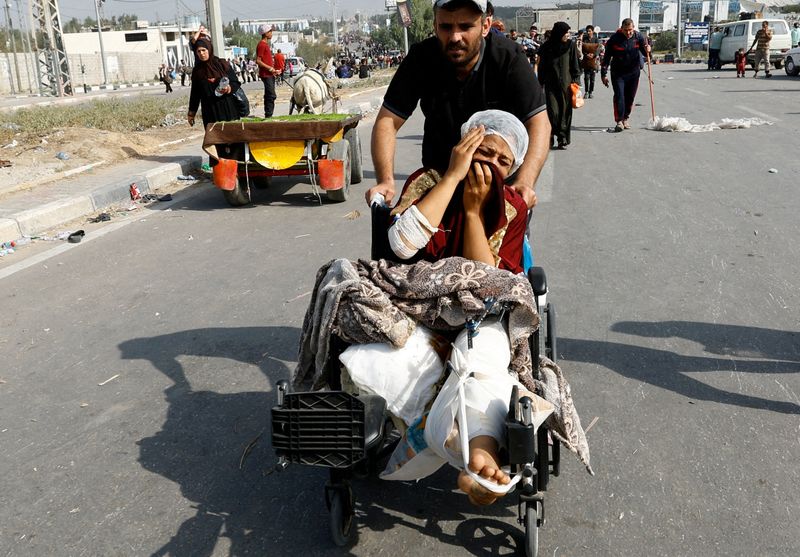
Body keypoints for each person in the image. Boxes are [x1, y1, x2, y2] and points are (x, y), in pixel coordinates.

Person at [382, 110, 538, 505]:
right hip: (418, 304)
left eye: (503, 161)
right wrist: (453, 178)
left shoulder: (512, 206)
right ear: (463, 147)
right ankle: (469, 450)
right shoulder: (428, 181)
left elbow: (487, 286)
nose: (491, 166)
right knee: (391, 359)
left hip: (477, 312)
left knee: (483, 357)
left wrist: (472, 212)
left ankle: (478, 454)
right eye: (483, 152)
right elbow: (401, 246)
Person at [367, 0, 550, 211]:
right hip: (440, 184)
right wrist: (385, 180)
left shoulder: (509, 59)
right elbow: (387, 121)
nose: (455, 37)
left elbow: (539, 124)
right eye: (446, 27)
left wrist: (525, 182)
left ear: (485, 26)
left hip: (498, 189)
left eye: (465, 27)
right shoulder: (421, 59)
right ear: (435, 26)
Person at [600, 18, 650, 132]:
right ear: (621, 29)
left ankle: (625, 118)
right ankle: (619, 120)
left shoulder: (638, 37)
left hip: (633, 73)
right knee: (619, 96)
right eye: (626, 30)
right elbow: (606, 58)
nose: (628, 33)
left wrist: (648, 50)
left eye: (630, 30)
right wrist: (603, 74)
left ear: (634, 28)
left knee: (630, 97)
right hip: (618, 73)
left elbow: (645, 53)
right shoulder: (614, 39)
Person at [536, 22, 581, 150]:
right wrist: (540, 83)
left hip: (567, 85)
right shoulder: (547, 47)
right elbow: (542, 67)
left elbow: (575, 64)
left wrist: (576, 81)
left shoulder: (570, 46)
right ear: (559, 33)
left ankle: (562, 138)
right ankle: (550, 135)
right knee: (553, 112)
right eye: (566, 32)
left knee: (565, 113)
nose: (568, 35)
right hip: (551, 85)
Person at [186, 37, 242, 129]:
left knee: (234, 139)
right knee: (217, 139)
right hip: (210, 111)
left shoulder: (222, 64)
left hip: (228, 108)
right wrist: (191, 113)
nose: (202, 53)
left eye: (204, 50)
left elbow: (235, 83)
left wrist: (228, 88)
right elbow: (195, 94)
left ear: (209, 49)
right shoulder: (197, 71)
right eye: (198, 51)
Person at [255, 24, 278, 117]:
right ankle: (268, 115)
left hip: (270, 74)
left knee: (270, 94)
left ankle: (269, 114)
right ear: (265, 33)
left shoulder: (266, 45)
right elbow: (258, 61)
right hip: (266, 74)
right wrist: (270, 68)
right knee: (271, 95)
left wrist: (274, 70)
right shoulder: (262, 45)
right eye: (270, 32)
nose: (271, 33)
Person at [581, 25, 600, 99]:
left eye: (589, 31)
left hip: (593, 62)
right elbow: (582, 49)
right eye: (587, 31)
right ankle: (586, 92)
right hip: (586, 61)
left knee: (592, 79)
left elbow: (598, 49)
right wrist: (586, 54)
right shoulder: (584, 39)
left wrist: (594, 55)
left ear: (592, 31)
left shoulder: (596, 39)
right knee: (586, 77)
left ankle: (591, 92)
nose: (588, 32)